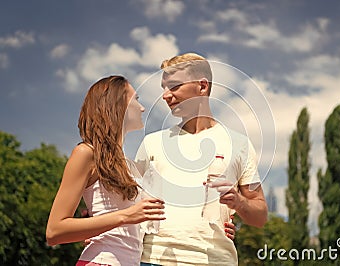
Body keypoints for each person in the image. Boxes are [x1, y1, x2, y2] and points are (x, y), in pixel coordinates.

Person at [135, 53, 268, 265]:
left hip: (215, 260)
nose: (165, 96)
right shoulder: (152, 143)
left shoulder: (239, 144)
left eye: (174, 86)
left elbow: (260, 216)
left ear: (202, 87)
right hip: (153, 259)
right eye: (164, 88)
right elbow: (126, 200)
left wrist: (239, 202)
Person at [46, 75, 166, 266]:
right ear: (117, 105)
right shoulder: (85, 153)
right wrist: (126, 216)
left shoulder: (129, 166)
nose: (142, 108)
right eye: (136, 99)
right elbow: (54, 231)